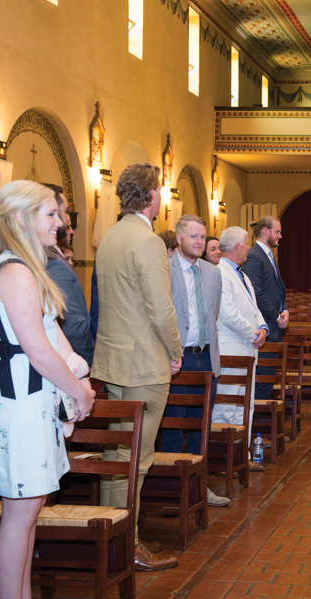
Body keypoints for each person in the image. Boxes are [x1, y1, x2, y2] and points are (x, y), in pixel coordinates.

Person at [0, 181, 94, 599]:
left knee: (28, 512)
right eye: (51, 214)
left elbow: (52, 335)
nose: (59, 223)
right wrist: (78, 392)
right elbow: (36, 348)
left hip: (31, 399)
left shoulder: (23, 267)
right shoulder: (15, 270)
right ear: (22, 218)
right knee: (20, 516)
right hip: (19, 401)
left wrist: (80, 377)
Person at [92, 163, 183, 572]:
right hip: (144, 363)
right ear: (150, 196)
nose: (161, 198)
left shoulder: (110, 236)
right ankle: (127, 545)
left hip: (113, 361)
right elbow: (160, 308)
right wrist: (175, 349)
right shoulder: (146, 241)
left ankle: (109, 540)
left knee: (117, 456)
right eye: (160, 191)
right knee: (138, 460)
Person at [163, 214, 230, 507]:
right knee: (173, 427)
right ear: (178, 238)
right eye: (193, 237)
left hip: (205, 358)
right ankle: (171, 492)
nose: (200, 242)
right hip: (178, 360)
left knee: (201, 427)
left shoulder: (212, 272)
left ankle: (199, 489)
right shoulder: (165, 269)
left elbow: (212, 314)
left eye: (202, 237)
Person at [214, 226, 268, 470]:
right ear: (237, 246)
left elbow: (254, 309)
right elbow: (228, 314)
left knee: (245, 404)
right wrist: (253, 333)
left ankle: (241, 458)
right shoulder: (220, 274)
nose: (248, 247)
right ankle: (222, 460)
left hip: (247, 347)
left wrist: (263, 327)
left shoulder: (242, 275)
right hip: (231, 349)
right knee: (227, 407)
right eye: (246, 243)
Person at [42, 184, 94, 367]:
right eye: (56, 213)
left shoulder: (52, 255)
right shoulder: (53, 262)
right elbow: (70, 321)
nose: (63, 219)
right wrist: (88, 358)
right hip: (69, 356)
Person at [241, 216, 288, 402]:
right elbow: (255, 293)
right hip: (264, 328)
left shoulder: (267, 254)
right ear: (266, 231)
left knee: (267, 378)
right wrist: (276, 317)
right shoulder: (254, 255)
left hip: (273, 327)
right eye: (277, 232)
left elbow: (277, 290)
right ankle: (257, 426)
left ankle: (261, 424)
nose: (280, 236)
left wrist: (285, 310)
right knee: (261, 380)